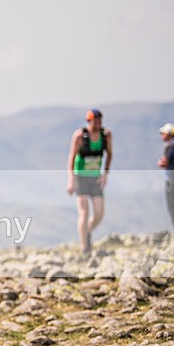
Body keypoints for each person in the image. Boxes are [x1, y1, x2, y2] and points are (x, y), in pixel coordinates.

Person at [66, 109, 112, 254]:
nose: (97, 124)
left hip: (96, 177)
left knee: (99, 213)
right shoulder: (80, 135)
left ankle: (87, 232)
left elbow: (110, 154)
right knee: (84, 213)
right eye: (94, 121)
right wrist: (71, 180)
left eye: (99, 121)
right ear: (89, 121)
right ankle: (85, 246)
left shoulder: (106, 135)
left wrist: (106, 173)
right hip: (81, 177)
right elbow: (72, 157)